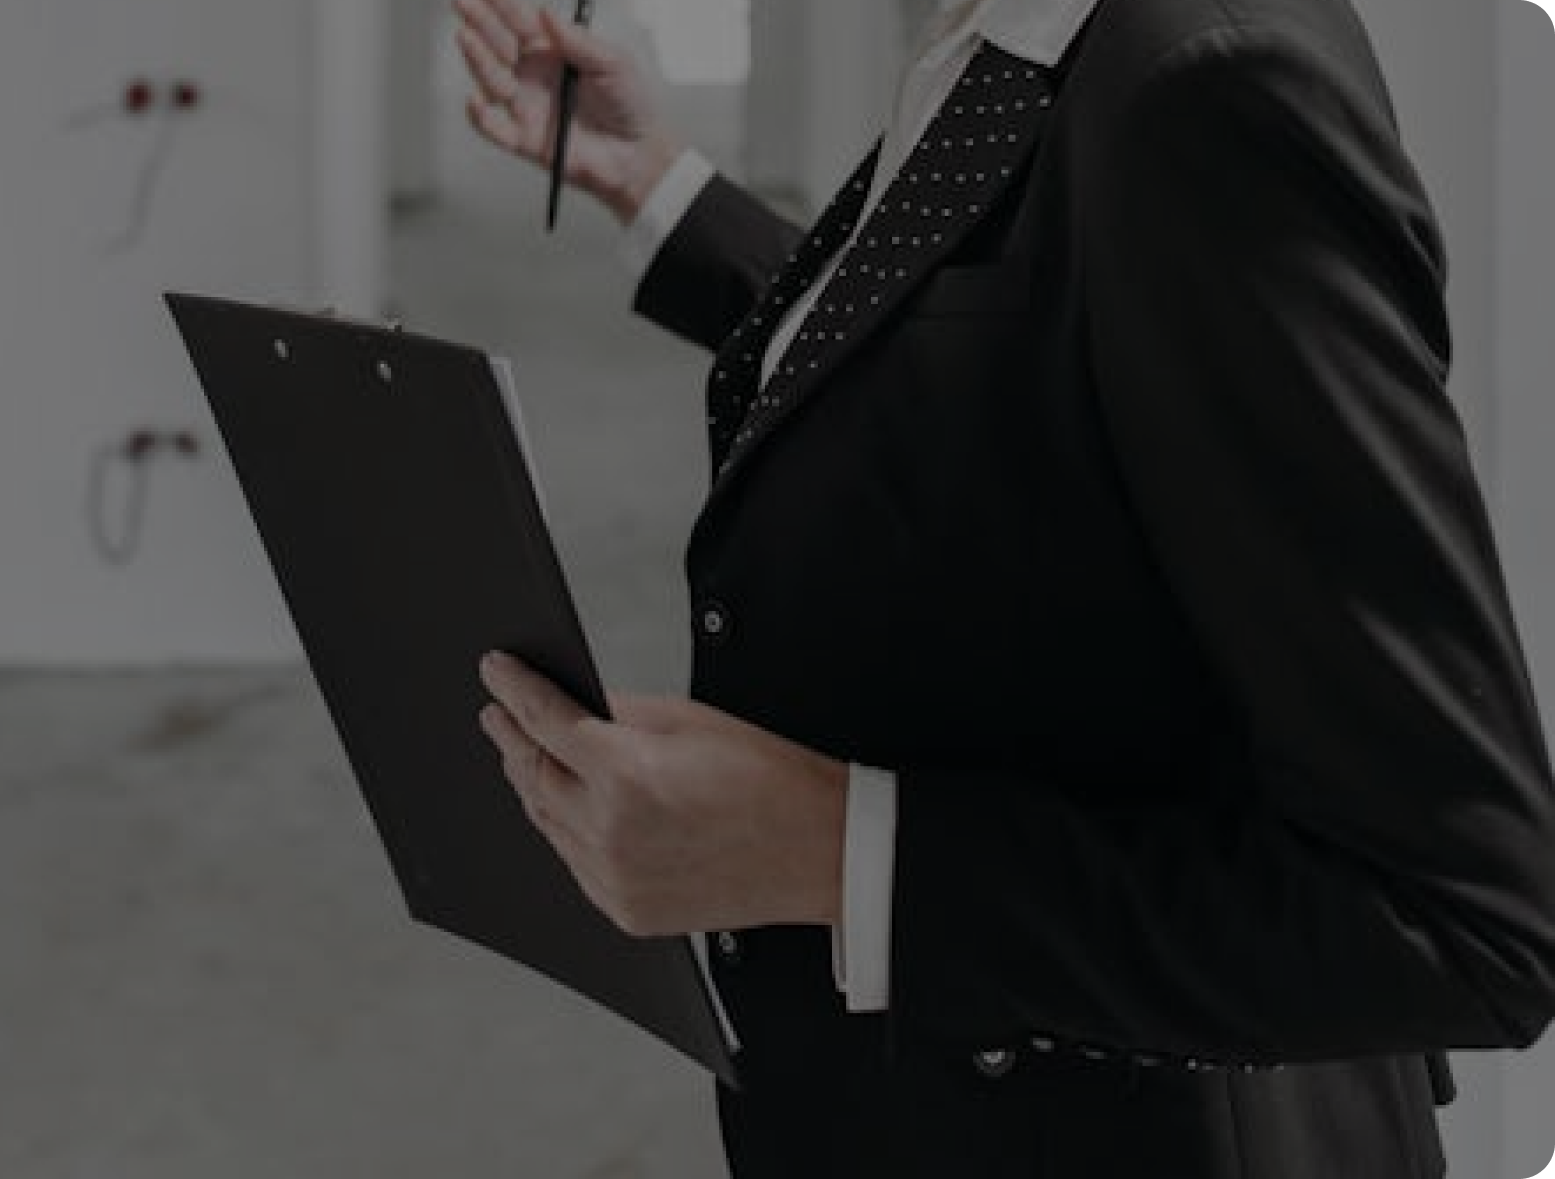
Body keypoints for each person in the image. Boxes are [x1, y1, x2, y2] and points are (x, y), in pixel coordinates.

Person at [456, 0, 1555, 1174]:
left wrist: (831, 851)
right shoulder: (1009, 35)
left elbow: (1463, 924)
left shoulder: (1209, 82)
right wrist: (656, 184)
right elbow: (984, 362)